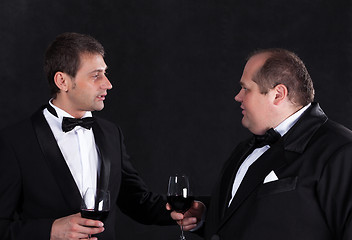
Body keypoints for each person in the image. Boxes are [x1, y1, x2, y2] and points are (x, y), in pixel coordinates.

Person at [0, 32, 173, 240]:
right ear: (62, 81)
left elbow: (138, 202)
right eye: (95, 75)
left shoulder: (111, 133)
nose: (107, 84)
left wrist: (191, 209)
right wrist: (51, 231)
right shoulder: (14, 142)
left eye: (105, 73)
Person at [168, 48, 352, 240]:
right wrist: (205, 217)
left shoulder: (341, 151)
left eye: (246, 88)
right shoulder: (245, 149)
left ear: (278, 94)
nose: (238, 96)